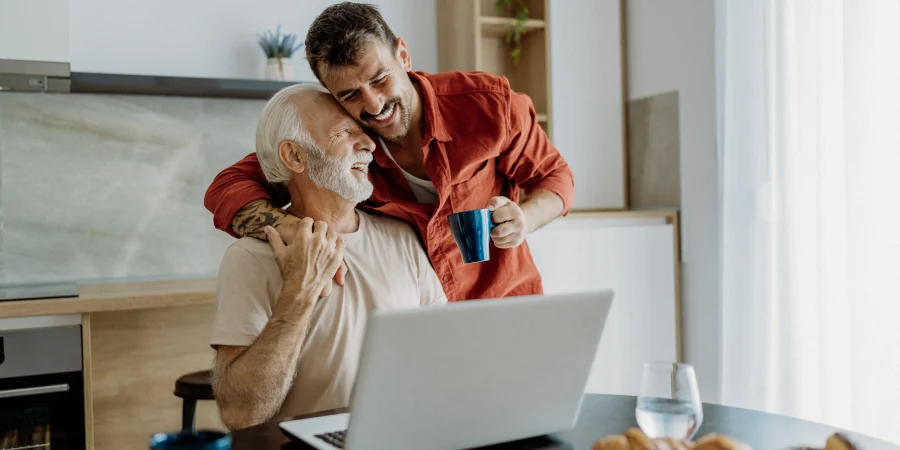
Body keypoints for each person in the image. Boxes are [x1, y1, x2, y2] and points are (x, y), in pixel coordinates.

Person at [204, 2, 574, 302]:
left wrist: (524, 219)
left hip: (509, 305)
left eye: (380, 79)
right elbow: (228, 186)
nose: (374, 105)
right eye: (349, 95)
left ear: (403, 55)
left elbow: (556, 179)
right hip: (416, 326)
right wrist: (297, 232)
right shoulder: (342, 142)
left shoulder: (487, 105)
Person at [210, 83, 447, 430]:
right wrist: (298, 294)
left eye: (363, 131)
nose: (368, 145)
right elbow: (241, 415)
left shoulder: (403, 237)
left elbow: (442, 360)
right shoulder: (249, 257)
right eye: (344, 133)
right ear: (294, 156)